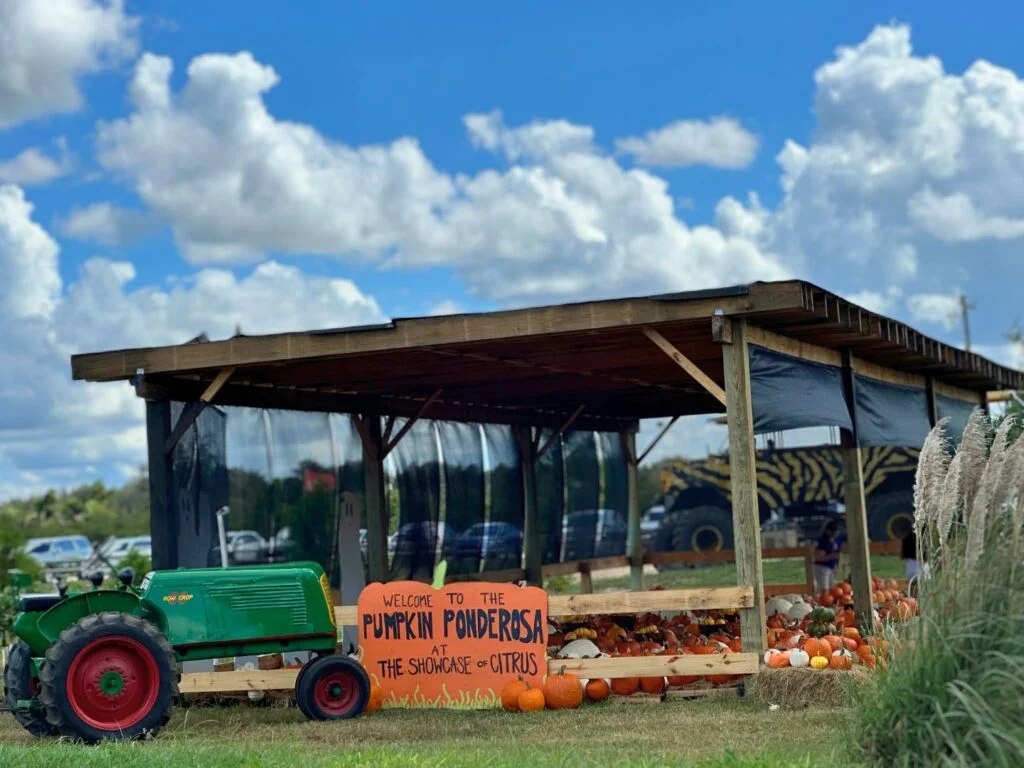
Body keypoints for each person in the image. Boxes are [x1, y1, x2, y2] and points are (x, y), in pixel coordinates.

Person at [813, 520, 842, 594]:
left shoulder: (837, 540)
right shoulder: (823, 541)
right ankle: (823, 603)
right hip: (822, 567)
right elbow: (819, 557)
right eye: (832, 531)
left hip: (831, 567)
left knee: (833, 589)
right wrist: (832, 556)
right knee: (824, 590)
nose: (834, 533)